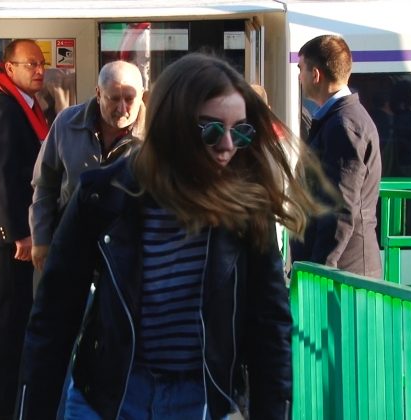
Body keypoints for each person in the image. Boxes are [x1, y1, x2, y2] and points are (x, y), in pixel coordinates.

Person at [17, 53, 324, 419]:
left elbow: (269, 326)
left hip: (198, 400)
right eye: (212, 130)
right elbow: (54, 317)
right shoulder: (103, 194)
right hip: (109, 396)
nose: (228, 145)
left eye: (241, 131)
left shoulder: (245, 210)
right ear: (171, 125)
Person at [0, 38, 48, 420]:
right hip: (6, 235)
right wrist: (18, 232)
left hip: (9, 230)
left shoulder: (19, 103)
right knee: (11, 316)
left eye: (42, 64)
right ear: (10, 67)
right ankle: (5, 406)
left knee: (6, 314)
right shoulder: (3, 105)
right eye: (31, 64)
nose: (39, 70)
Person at [29, 60, 146, 272]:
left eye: (130, 99)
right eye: (114, 98)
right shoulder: (66, 123)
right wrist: (41, 238)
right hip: (71, 243)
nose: (122, 109)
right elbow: (45, 184)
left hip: (130, 252)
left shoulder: (156, 134)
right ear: (98, 94)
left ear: (141, 96)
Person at [290, 34, 383, 278]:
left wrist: (319, 272)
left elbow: (339, 207)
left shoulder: (344, 125)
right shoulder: (342, 119)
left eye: (300, 69)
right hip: (344, 271)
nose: (299, 77)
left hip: (344, 277)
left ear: (315, 74)